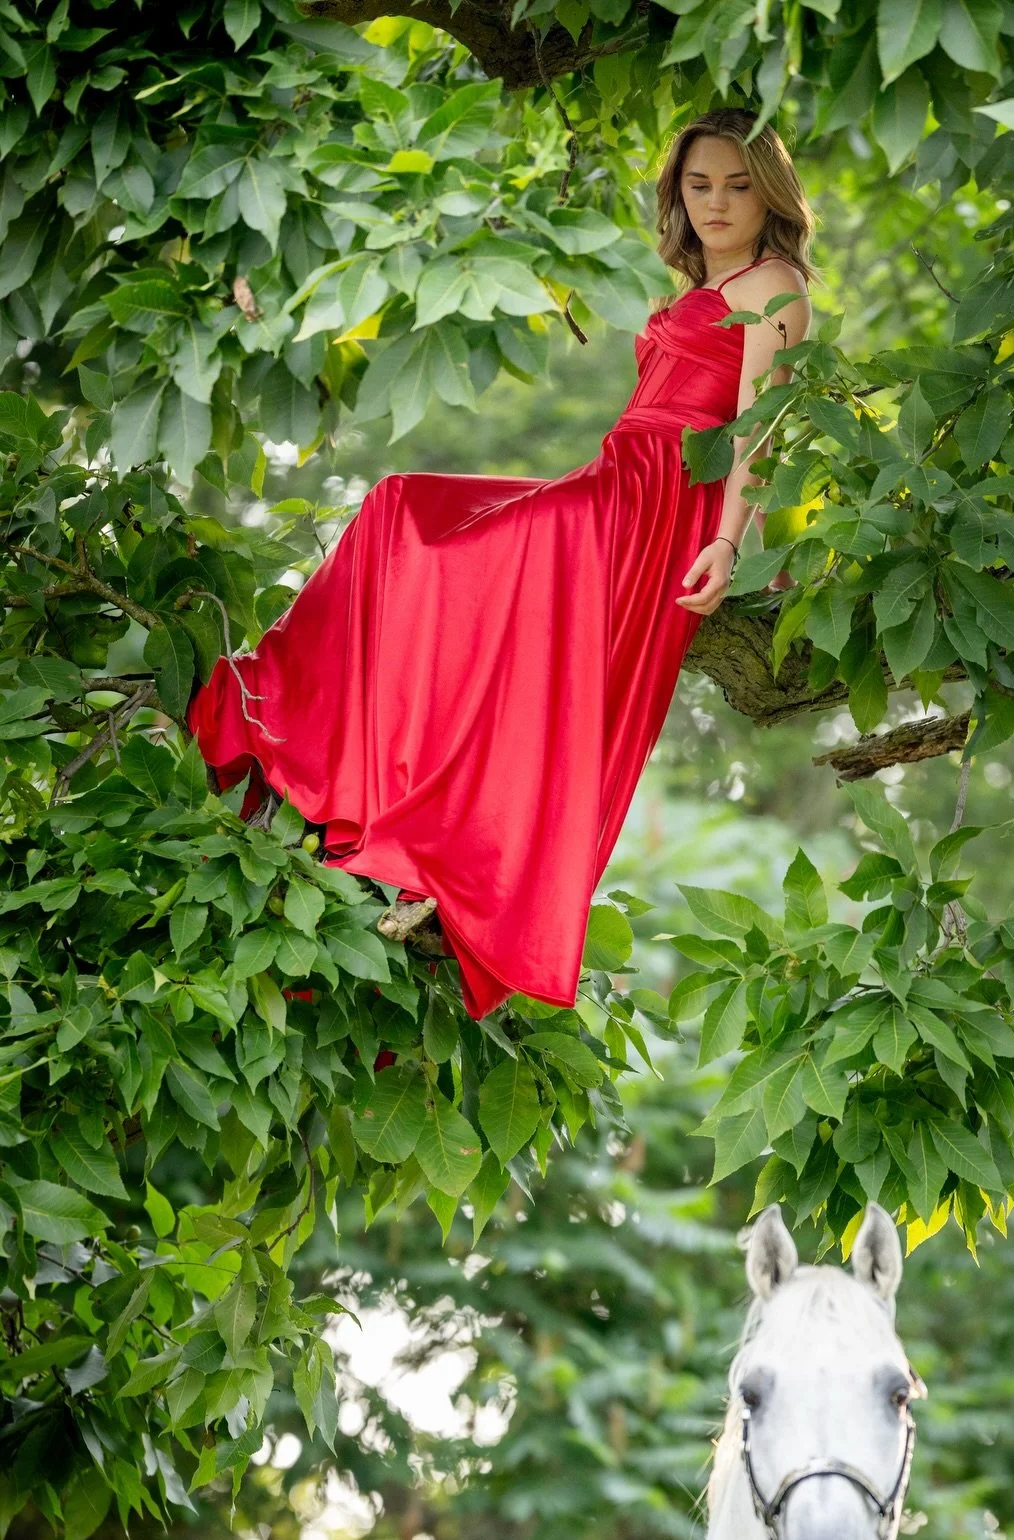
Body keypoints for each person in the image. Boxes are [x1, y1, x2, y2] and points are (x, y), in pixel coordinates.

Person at [187, 107, 814, 1021]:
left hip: (653, 505)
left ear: (769, 189)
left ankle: (433, 831)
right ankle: (287, 706)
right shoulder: (702, 282)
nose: (716, 202)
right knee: (403, 502)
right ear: (677, 193)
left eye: (737, 183)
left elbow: (764, 423)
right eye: (698, 183)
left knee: (462, 572)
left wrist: (731, 540)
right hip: (613, 475)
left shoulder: (776, 285)